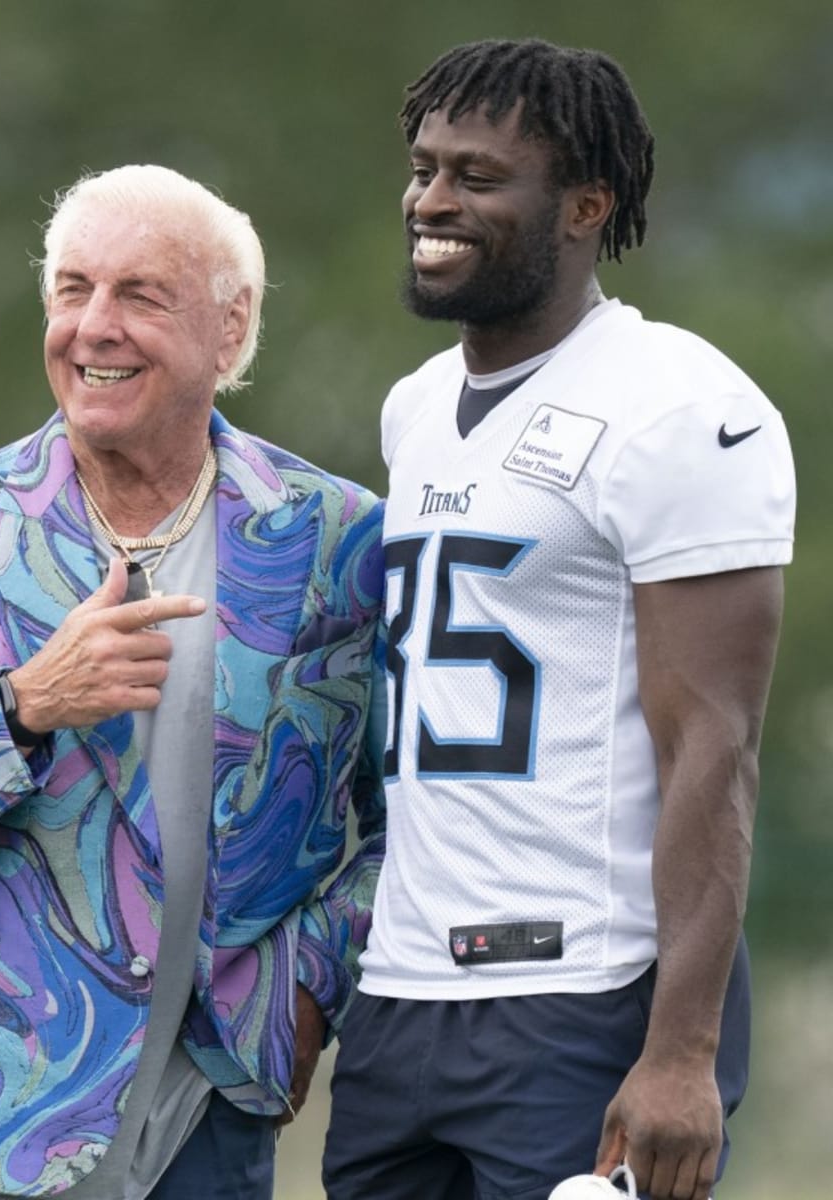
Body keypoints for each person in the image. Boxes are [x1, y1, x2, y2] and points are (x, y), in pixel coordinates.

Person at [0, 163, 387, 1200]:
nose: (94, 326)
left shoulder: (340, 539)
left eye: (141, 294)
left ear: (231, 326)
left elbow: (418, 822)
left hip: (208, 1125)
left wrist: (311, 988)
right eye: (72, 290)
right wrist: (20, 709)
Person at [322, 38, 795, 1200]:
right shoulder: (416, 406)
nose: (432, 201)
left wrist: (680, 1049)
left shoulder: (679, 406)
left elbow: (715, 748)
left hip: (582, 994)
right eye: (425, 168)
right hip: (405, 998)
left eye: (478, 178)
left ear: (586, 206)